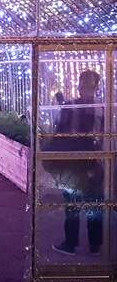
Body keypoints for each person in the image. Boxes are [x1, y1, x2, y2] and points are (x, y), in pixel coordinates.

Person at [45, 70, 104, 256]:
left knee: (72, 203)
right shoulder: (102, 108)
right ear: (97, 86)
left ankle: (71, 243)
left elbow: (58, 127)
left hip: (73, 160)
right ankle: (95, 245)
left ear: (80, 85)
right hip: (95, 160)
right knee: (95, 204)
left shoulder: (70, 105)